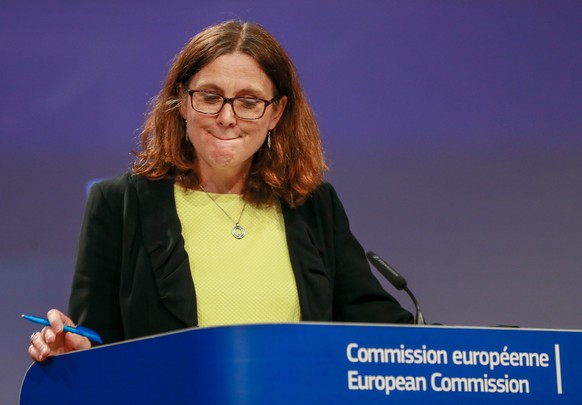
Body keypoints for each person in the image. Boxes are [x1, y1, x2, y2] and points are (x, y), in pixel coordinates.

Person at [28, 20, 413, 362]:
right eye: (210, 97)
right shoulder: (119, 205)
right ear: (182, 102)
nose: (227, 117)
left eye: (248, 102)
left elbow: (374, 323)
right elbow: (95, 339)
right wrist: (75, 351)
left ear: (276, 113)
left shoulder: (311, 205)